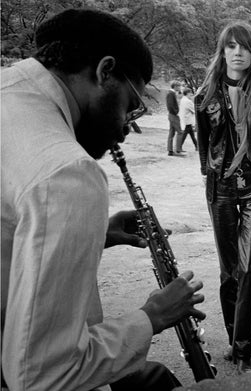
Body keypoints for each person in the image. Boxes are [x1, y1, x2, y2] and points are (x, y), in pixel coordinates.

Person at [1, 9, 206, 391]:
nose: (127, 125)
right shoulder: (67, 172)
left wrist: (95, 234)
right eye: (131, 104)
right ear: (104, 71)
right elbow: (42, 377)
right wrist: (152, 316)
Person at [195, 20, 251, 374]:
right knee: (229, 273)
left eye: (244, 46)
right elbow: (204, 148)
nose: (238, 52)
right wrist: (216, 172)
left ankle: (243, 351)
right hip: (221, 190)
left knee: (249, 271)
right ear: (223, 51)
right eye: (231, 46)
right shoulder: (205, 97)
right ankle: (233, 339)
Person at [177, 87, 198, 152]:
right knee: (185, 135)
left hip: (184, 120)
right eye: (190, 93)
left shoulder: (183, 99)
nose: (191, 95)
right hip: (187, 120)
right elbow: (194, 110)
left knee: (191, 134)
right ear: (187, 93)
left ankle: (197, 146)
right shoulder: (188, 101)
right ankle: (179, 147)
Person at [166, 80, 183, 156]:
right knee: (180, 132)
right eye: (179, 86)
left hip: (172, 115)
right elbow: (170, 106)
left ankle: (170, 151)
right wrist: (176, 112)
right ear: (175, 86)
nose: (180, 87)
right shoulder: (171, 94)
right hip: (173, 115)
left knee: (172, 132)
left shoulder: (173, 93)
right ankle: (178, 150)